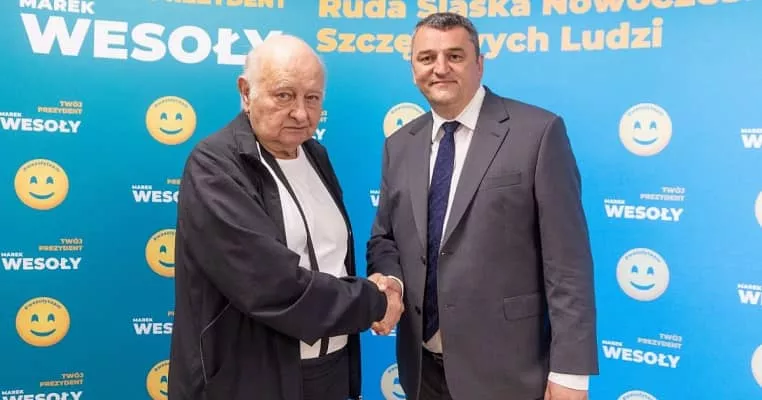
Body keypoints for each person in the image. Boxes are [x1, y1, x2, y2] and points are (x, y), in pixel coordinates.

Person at [367, 12, 599, 400]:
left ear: (480, 64)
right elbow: (385, 239)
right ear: (413, 69)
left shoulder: (538, 133)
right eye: (427, 58)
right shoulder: (399, 144)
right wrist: (393, 283)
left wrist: (571, 373)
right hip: (421, 371)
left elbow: (568, 264)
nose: (440, 68)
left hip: (508, 375)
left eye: (455, 56)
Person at [168, 34, 403, 400]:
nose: (301, 113)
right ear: (246, 92)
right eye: (284, 95)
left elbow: (331, 257)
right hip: (250, 378)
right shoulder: (213, 166)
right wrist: (373, 300)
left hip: (331, 369)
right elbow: (271, 285)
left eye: (312, 98)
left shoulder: (315, 155)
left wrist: (380, 290)